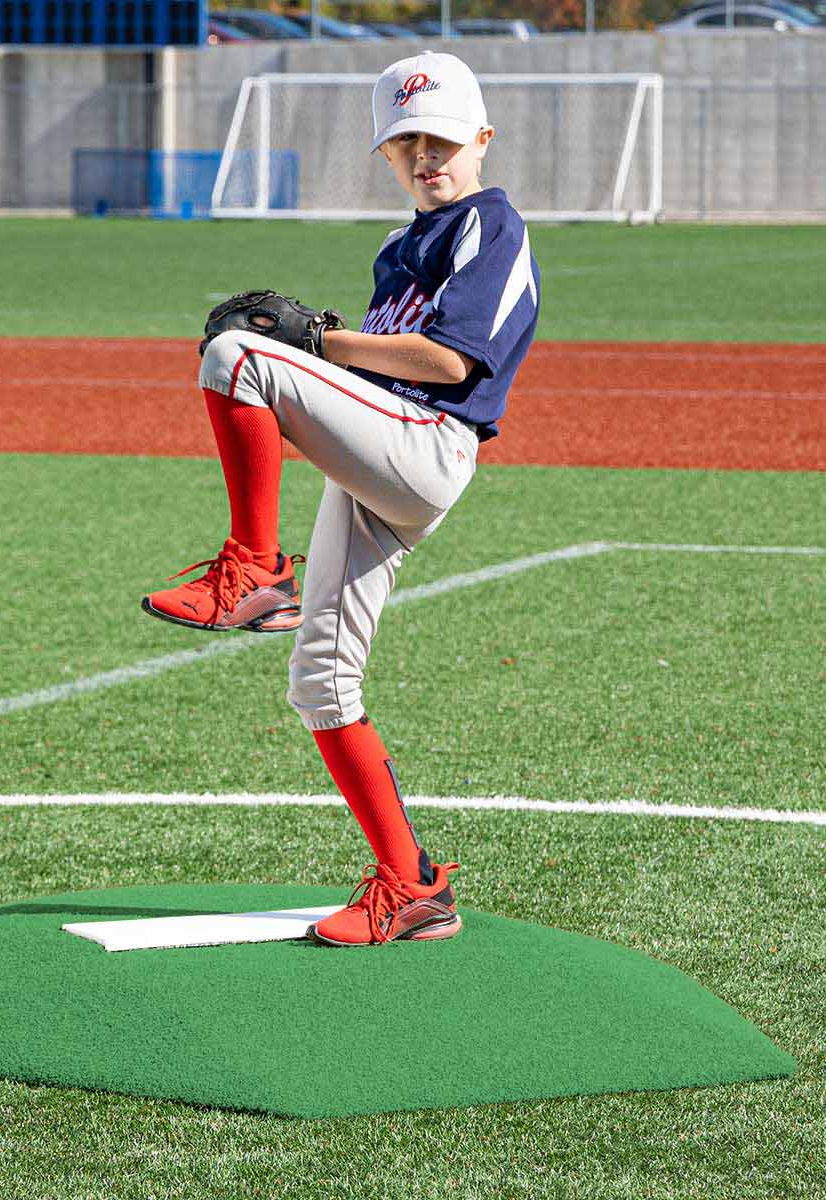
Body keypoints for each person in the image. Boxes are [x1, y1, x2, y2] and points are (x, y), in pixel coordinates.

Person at [141, 52, 540, 946]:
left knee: (235, 356)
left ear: (481, 138)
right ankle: (414, 886)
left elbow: (449, 364)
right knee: (322, 682)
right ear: (387, 157)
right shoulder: (398, 250)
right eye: (406, 145)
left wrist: (317, 340)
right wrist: (323, 349)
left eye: (441, 138)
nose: (426, 156)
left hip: (429, 447)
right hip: (382, 455)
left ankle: (252, 569)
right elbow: (361, 368)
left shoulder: (492, 226)